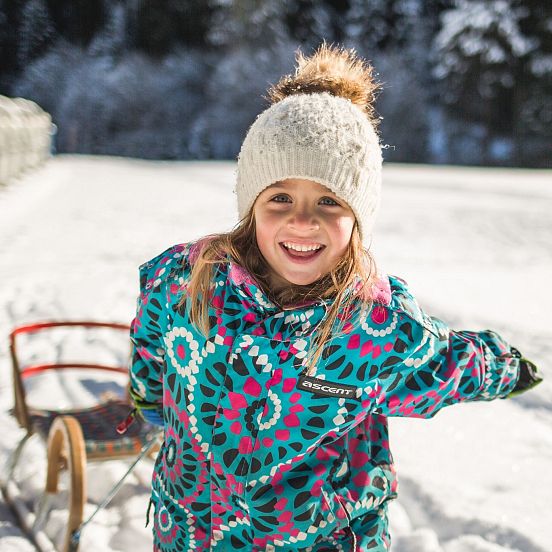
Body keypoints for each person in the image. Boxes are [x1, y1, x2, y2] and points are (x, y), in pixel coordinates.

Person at [128, 43, 542, 552]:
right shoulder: (185, 282)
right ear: (250, 204)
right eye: (280, 197)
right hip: (190, 532)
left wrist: (505, 366)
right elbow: (151, 344)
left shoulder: (375, 326)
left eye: (329, 201)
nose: (303, 221)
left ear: (358, 217)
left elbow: (445, 364)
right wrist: (149, 396)